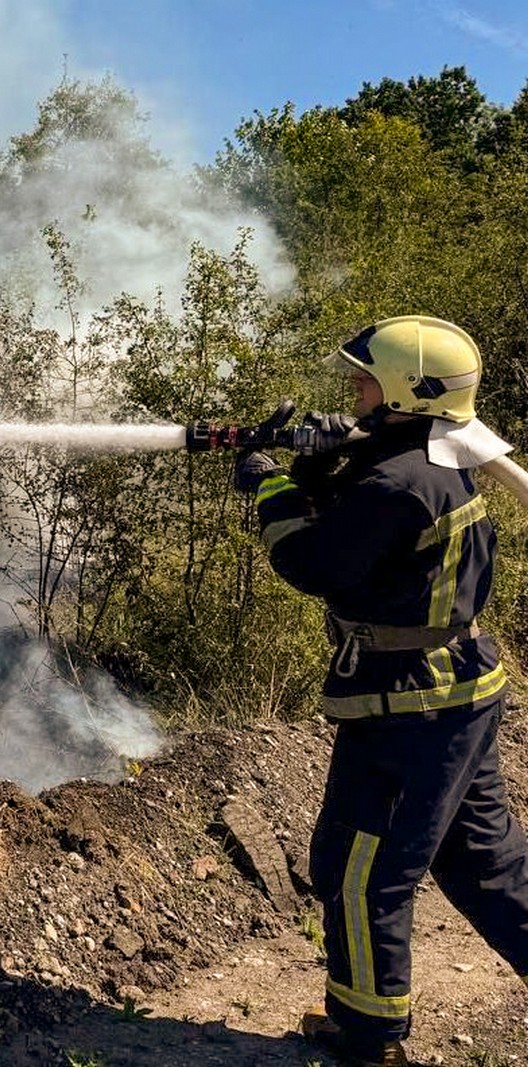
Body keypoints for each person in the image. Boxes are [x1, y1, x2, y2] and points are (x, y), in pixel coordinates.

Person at [233, 315, 528, 1067]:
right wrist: (316, 460)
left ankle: (368, 1041)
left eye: (363, 382)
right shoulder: (426, 454)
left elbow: (316, 560)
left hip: (412, 710)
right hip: (454, 695)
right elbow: (367, 518)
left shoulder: (403, 480)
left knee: (361, 870)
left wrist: (267, 482)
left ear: (406, 392)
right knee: (484, 865)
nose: (351, 391)